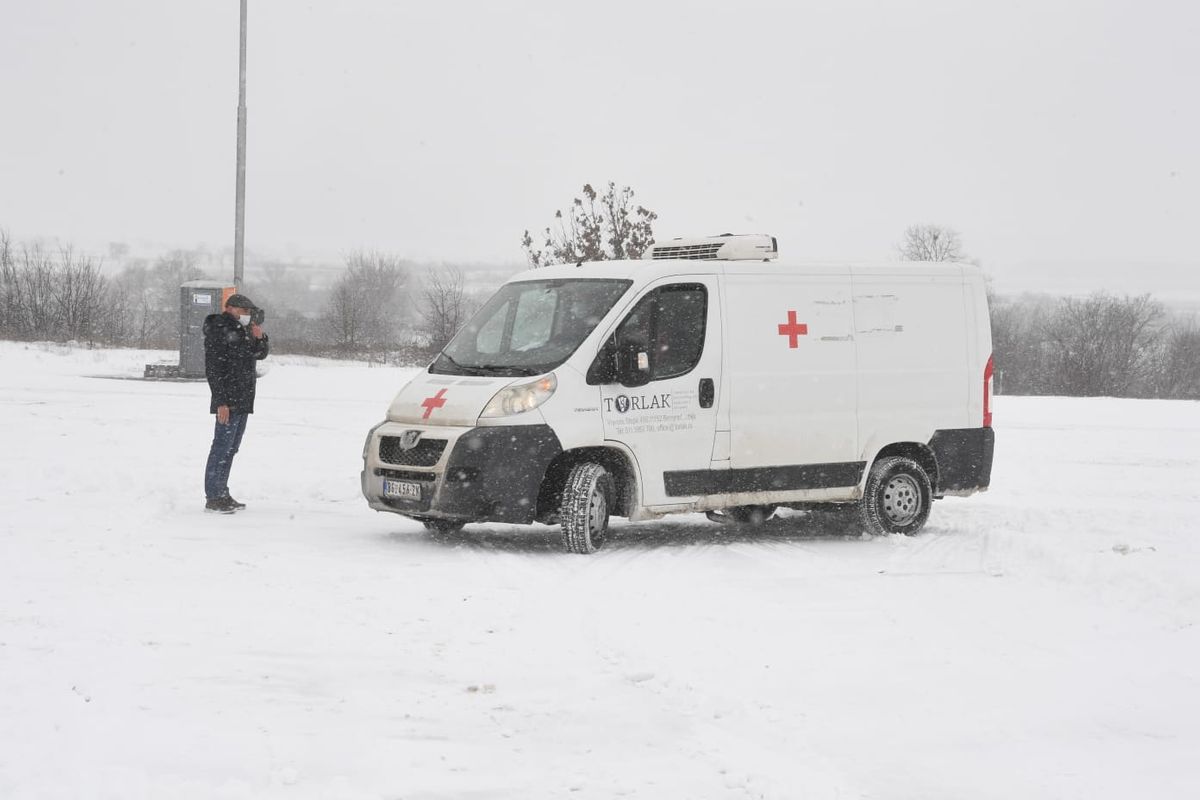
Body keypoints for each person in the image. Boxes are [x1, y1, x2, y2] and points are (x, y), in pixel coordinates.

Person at [203, 293, 269, 513]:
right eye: (245, 312)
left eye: (250, 312)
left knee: (231, 449)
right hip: (228, 402)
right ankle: (213, 496)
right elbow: (214, 369)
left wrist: (260, 338)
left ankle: (222, 492)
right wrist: (221, 401)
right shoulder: (219, 329)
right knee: (221, 448)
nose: (248, 316)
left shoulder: (242, 331)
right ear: (231, 308)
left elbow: (258, 354)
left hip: (243, 400)